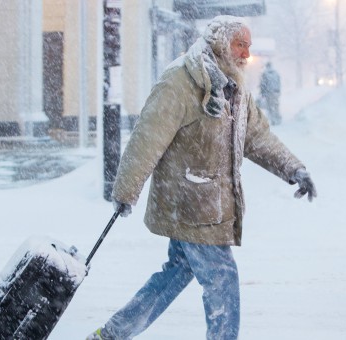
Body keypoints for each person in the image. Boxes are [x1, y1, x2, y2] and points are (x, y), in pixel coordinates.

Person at [87, 15, 316, 340]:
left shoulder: (235, 87)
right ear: (221, 43)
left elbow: (258, 137)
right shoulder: (181, 81)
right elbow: (147, 138)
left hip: (210, 204)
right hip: (191, 203)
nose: (246, 55)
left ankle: (111, 334)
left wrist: (293, 169)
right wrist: (126, 189)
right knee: (222, 280)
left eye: (248, 46)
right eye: (240, 45)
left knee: (176, 273)